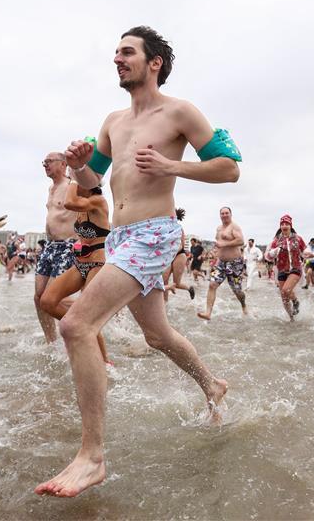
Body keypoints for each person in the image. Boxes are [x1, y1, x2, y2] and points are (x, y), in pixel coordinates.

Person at [35, 26, 234, 498]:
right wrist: (82, 163)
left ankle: (91, 458)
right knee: (157, 335)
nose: (117, 59)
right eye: (116, 53)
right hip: (120, 235)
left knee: (76, 326)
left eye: (127, 52)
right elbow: (92, 184)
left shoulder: (179, 112)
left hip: (155, 233)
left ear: (154, 63)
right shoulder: (112, 120)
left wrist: (173, 167)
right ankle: (213, 384)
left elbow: (229, 168)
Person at [39, 180, 113, 364]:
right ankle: (78, 326)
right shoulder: (80, 209)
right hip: (80, 263)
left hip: (98, 263)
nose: (71, 188)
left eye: (78, 182)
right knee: (47, 301)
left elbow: (69, 202)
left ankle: (105, 362)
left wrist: (74, 179)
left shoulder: (98, 200)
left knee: (86, 316)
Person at [33, 153, 79, 342]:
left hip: (68, 245)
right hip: (50, 247)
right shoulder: (51, 188)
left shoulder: (72, 185)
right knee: (38, 298)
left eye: (49, 162)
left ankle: (91, 316)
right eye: (44, 162)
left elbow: (89, 208)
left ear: (63, 164)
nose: (45, 165)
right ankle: (50, 340)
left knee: (51, 299)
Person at [198, 206, 247, 320]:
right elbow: (218, 242)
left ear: (230, 214)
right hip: (220, 263)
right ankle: (208, 313)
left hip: (235, 263)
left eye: (226, 213)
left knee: (237, 290)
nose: (224, 215)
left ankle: (244, 305)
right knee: (212, 285)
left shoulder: (234, 226)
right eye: (222, 213)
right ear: (220, 215)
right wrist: (215, 252)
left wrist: (224, 245)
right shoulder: (219, 228)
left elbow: (241, 241)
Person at [267, 214, 306, 321]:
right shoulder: (276, 241)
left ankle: (296, 301)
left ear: (290, 226)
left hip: (295, 268)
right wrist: (272, 252)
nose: (284, 226)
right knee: (284, 297)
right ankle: (291, 318)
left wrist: (309, 255)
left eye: (286, 224)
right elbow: (268, 257)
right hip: (282, 270)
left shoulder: (298, 239)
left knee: (286, 290)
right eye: (282, 224)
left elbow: (305, 251)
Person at [163, 208, 195, 300]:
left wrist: (172, 253)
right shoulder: (164, 227)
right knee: (164, 281)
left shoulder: (179, 228)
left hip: (179, 255)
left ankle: (189, 289)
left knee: (176, 283)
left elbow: (181, 245)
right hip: (168, 256)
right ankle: (165, 303)